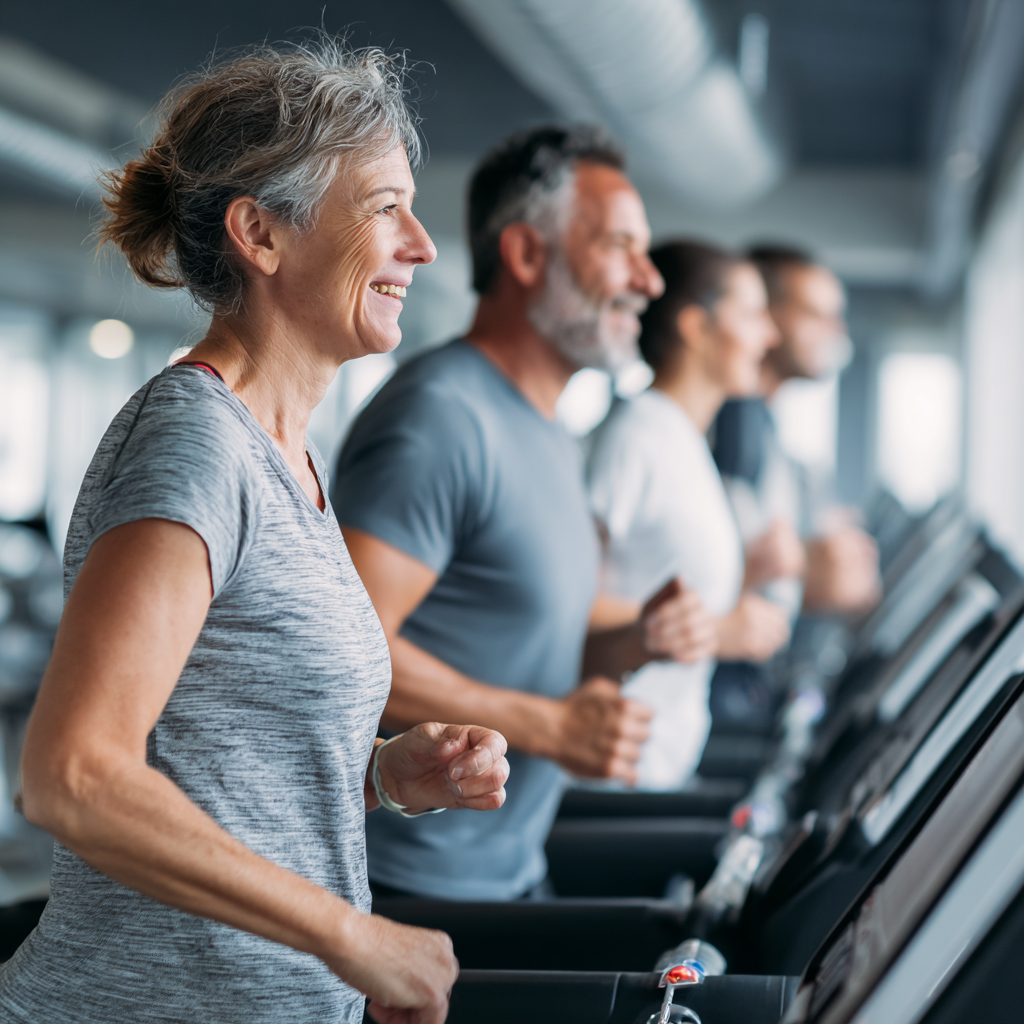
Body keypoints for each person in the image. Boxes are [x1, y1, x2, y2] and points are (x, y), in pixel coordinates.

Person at [0, 41, 511, 1024]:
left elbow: (215, 765)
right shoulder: (197, 446)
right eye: (382, 208)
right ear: (260, 235)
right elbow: (71, 776)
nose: (422, 243)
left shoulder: (288, 460)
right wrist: (351, 933)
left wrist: (383, 775)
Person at [332, 126, 716, 902]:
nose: (648, 280)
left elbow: (517, 633)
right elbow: (345, 652)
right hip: (400, 883)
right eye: (620, 247)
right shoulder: (441, 416)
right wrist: (549, 727)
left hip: (502, 869)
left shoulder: (549, 430)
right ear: (527, 255)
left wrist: (636, 638)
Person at [586, 241, 791, 790]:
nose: (768, 336)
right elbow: (563, 601)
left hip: (662, 763)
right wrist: (720, 632)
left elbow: (661, 586)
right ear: (696, 327)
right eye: (751, 315)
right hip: (611, 773)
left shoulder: (686, 439)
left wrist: (749, 581)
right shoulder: (634, 439)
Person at [713, 245, 880, 616]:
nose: (835, 331)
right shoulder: (730, 423)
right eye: (816, 315)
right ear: (767, 314)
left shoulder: (762, 421)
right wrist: (803, 564)